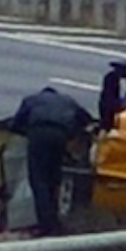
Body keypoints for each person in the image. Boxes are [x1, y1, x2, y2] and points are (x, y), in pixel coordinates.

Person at [9, 86, 93, 237]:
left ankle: (45, 225)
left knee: (39, 181)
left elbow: (16, 124)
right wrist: (72, 133)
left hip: (39, 134)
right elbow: (86, 118)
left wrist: (28, 133)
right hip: (60, 135)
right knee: (54, 179)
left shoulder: (31, 100)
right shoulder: (68, 100)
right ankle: (55, 222)